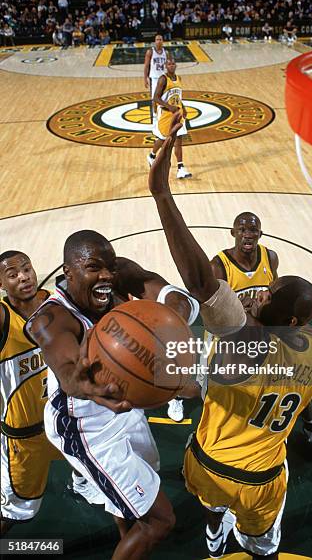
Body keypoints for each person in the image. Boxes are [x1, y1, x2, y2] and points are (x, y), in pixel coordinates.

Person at [148, 113, 312, 559]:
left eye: (269, 293)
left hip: (211, 463)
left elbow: (197, 280)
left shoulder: (244, 342)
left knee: (211, 506)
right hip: (264, 477)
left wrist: (162, 194)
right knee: (263, 548)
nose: (263, 291)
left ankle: (212, 536)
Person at [27, 232, 199, 560]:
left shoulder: (118, 275)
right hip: (84, 425)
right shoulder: (50, 319)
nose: (105, 275)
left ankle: (127, 534)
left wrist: (173, 320)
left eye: (108, 267)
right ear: (68, 271)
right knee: (159, 521)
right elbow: (66, 371)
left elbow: (175, 297)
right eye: (93, 268)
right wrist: (80, 385)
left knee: (144, 477)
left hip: (121, 405)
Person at [211, 213, 312, 453]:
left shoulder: (270, 257)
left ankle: (311, 426)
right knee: (226, 397)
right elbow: (215, 307)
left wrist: (298, 324)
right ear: (233, 233)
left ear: (260, 234)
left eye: (253, 230)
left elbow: (278, 298)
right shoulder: (219, 265)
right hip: (234, 338)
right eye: (242, 229)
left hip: (266, 333)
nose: (248, 234)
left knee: (296, 377)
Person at [0, 251, 61, 534]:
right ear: (2, 284)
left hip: (65, 421)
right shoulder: (4, 321)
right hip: (26, 435)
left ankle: (83, 479)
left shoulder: (56, 303)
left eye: (27, 269)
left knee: (103, 481)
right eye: (12, 275)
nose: (23, 276)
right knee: (13, 514)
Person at [147, 57, 192, 179]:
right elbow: (155, 98)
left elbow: (178, 97)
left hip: (178, 113)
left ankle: (180, 167)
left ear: (176, 65)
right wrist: (169, 107)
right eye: (169, 64)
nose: (171, 66)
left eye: (173, 64)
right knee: (163, 139)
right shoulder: (163, 79)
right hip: (166, 114)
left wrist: (183, 108)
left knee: (179, 140)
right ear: (166, 66)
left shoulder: (179, 78)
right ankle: (151, 155)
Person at [144, 34, 167, 129]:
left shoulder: (166, 52)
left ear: (163, 41)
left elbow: (169, 66)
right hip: (154, 78)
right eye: (157, 39)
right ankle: (154, 117)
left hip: (164, 78)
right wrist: (145, 78)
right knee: (154, 99)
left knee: (165, 98)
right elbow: (146, 66)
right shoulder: (150, 52)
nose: (159, 41)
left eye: (160, 39)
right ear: (155, 41)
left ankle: (164, 117)